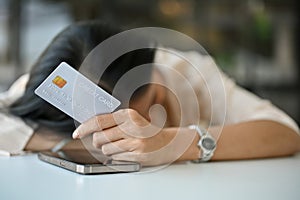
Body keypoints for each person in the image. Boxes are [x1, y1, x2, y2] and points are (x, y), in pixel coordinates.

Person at [0, 21, 299, 166]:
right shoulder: (55, 87)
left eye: (148, 108)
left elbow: (286, 132)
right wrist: (76, 143)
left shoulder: (191, 73)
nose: (138, 127)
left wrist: (173, 142)